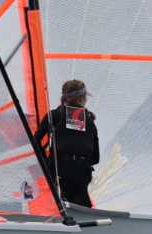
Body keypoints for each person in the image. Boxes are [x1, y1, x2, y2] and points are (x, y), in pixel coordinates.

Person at [34, 78, 101, 208]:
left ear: (64, 97)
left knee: (60, 202)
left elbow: (35, 142)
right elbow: (95, 158)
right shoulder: (90, 119)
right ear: (84, 98)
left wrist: (47, 162)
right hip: (82, 175)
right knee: (81, 202)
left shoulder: (54, 116)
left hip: (58, 173)